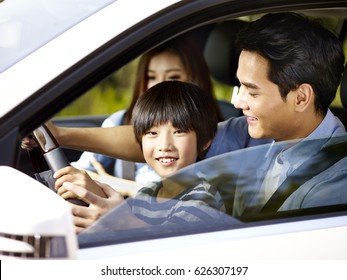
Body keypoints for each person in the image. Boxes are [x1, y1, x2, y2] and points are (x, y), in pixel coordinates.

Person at [22, 12, 346, 219]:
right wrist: (60, 135)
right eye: (239, 87)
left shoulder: (332, 184)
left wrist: (124, 223)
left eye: (252, 90)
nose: (239, 102)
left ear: (301, 97)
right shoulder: (259, 131)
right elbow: (165, 138)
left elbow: (258, 255)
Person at [55, 81, 225, 232]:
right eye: (152, 133)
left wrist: (123, 221)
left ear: (205, 141)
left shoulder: (203, 199)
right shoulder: (149, 192)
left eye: (178, 132)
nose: (165, 145)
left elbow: (171, 249)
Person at [73, 35, 224, 190]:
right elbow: (82, 171)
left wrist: (123, 187)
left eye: (173, 77)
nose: (160, 85)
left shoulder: (217, 135)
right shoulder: (120, 121)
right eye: (151, 77)